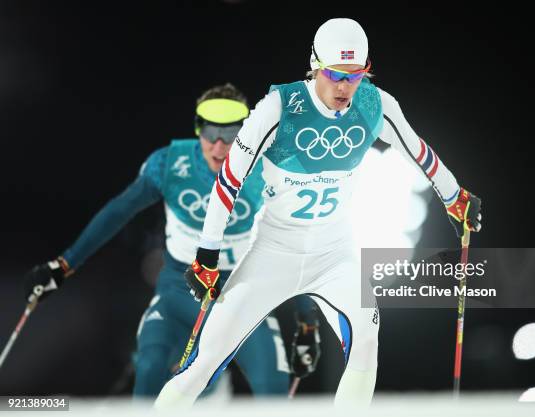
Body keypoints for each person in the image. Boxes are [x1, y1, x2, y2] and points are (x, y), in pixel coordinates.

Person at [155, 18, 482, 408]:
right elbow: (229, 179)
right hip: (274, 250)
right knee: (202, 365)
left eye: (355, 75)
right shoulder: (279, 107)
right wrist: (207, 253)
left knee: (366, 340)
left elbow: (417, 151)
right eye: (334, 74)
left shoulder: (374, 104)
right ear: (314, 65)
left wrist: (453, 196)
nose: (344, 87)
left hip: (336, 252)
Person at [23, 83, 321, 398]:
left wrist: (307, 322)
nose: (219, 148)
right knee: (151, 367)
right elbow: (118, 212)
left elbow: (294, 241)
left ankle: (213, 386)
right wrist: (64, 265)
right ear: (198, 129)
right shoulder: (170, 165)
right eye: (211, 134)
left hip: (241, 295)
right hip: (181, 290)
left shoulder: (267, 170)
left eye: (231, 134)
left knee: (273, 385)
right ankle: (205, 386)